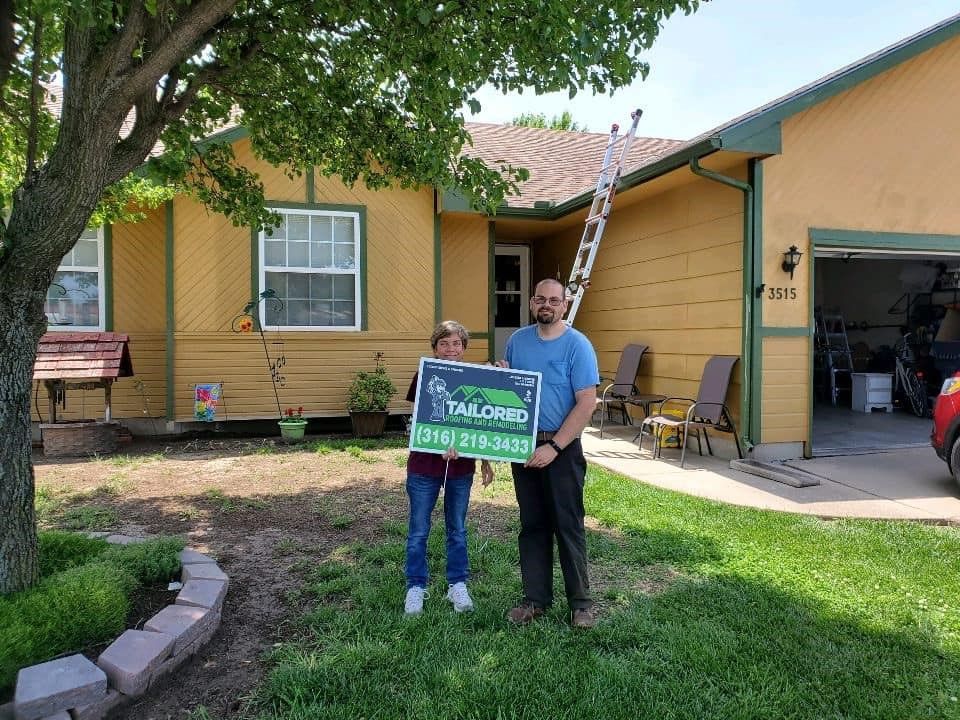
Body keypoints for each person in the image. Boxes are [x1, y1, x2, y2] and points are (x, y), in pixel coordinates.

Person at [498, 278, 600, 628]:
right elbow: (511, 391)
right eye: (541, 299)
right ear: (531, 303)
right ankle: (535, 599)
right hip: (524, 446)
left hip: (562, 447)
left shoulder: (578, 345)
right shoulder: (517, 341)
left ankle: (581, 604)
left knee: (568, 524)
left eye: (554, 300)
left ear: (564, 305)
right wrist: (502, 379)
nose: (547, 305)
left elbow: (587, 402)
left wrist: (555, 446)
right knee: (532, 525)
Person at [404, 320, 494, 616]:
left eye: (456, 343)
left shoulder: (474, 378)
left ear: (464, 349)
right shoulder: (424, 375)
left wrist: (486, 462)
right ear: (435, 348)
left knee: (457, 529)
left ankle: (457, 584)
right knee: (419, 530)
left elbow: (480, 425)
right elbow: (418, 419)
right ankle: (415, 586)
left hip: (461, 467)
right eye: (444, 343)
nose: (450, 349)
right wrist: (437, 439)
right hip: (423, 466)